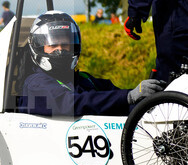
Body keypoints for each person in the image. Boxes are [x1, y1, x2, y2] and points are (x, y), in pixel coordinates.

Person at [17, 11, 164, 117]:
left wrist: (145, 96)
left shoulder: (83, 79)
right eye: (53, 45)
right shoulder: (36, 84)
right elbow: (74, 103)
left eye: (65, 44)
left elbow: (114, 95)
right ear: (38, 47)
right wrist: (127, 97)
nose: (60, 50)